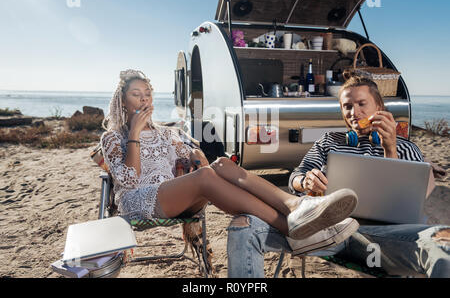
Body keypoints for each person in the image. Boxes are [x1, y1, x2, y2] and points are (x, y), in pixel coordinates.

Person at [100, 69, 359, 243]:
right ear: (123, 101)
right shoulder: (113, 138)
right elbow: (128, 182)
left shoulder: (168, 134)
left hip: (176, 198)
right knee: (204, 177)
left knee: (222, 163)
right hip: (139, 202)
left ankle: (295, 206)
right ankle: (290, 227)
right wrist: (134, 132)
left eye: (148, 94)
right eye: (136, 95)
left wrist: (196, 156)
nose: (144, 100)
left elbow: (194, 159)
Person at [227, 76, 450, 278]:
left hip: (380, 238)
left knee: (443, 246)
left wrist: (390, 148)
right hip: (325, 231)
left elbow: (405, 205)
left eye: (362, 104)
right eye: (347, 106)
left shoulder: (407, 148)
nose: (354, 112)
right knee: (244, 226)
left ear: (379, 107)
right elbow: (296, 176)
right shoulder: (329, 141)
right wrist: (305, 181)